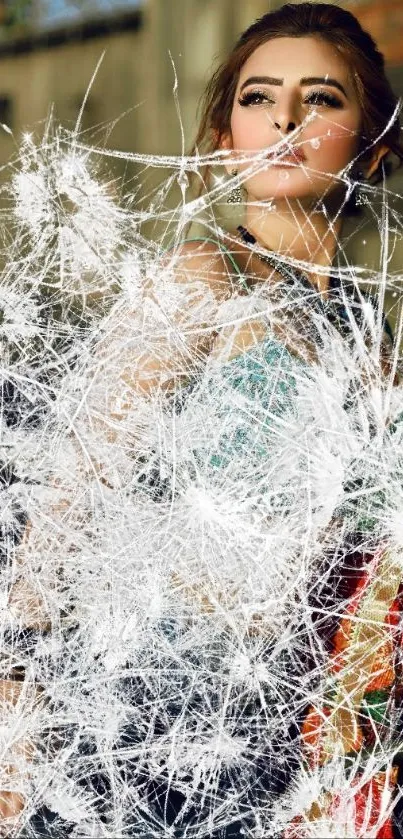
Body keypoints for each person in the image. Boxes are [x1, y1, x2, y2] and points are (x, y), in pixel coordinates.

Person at [2, 2, 403, 837]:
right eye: (258, 98)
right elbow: (68, 497)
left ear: (375, 142)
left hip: (291, 747)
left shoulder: (375, 349)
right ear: (224, 138)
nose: (286, 119)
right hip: (141, 718)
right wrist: (13, 701)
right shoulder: (202, 280)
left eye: (321, 98)